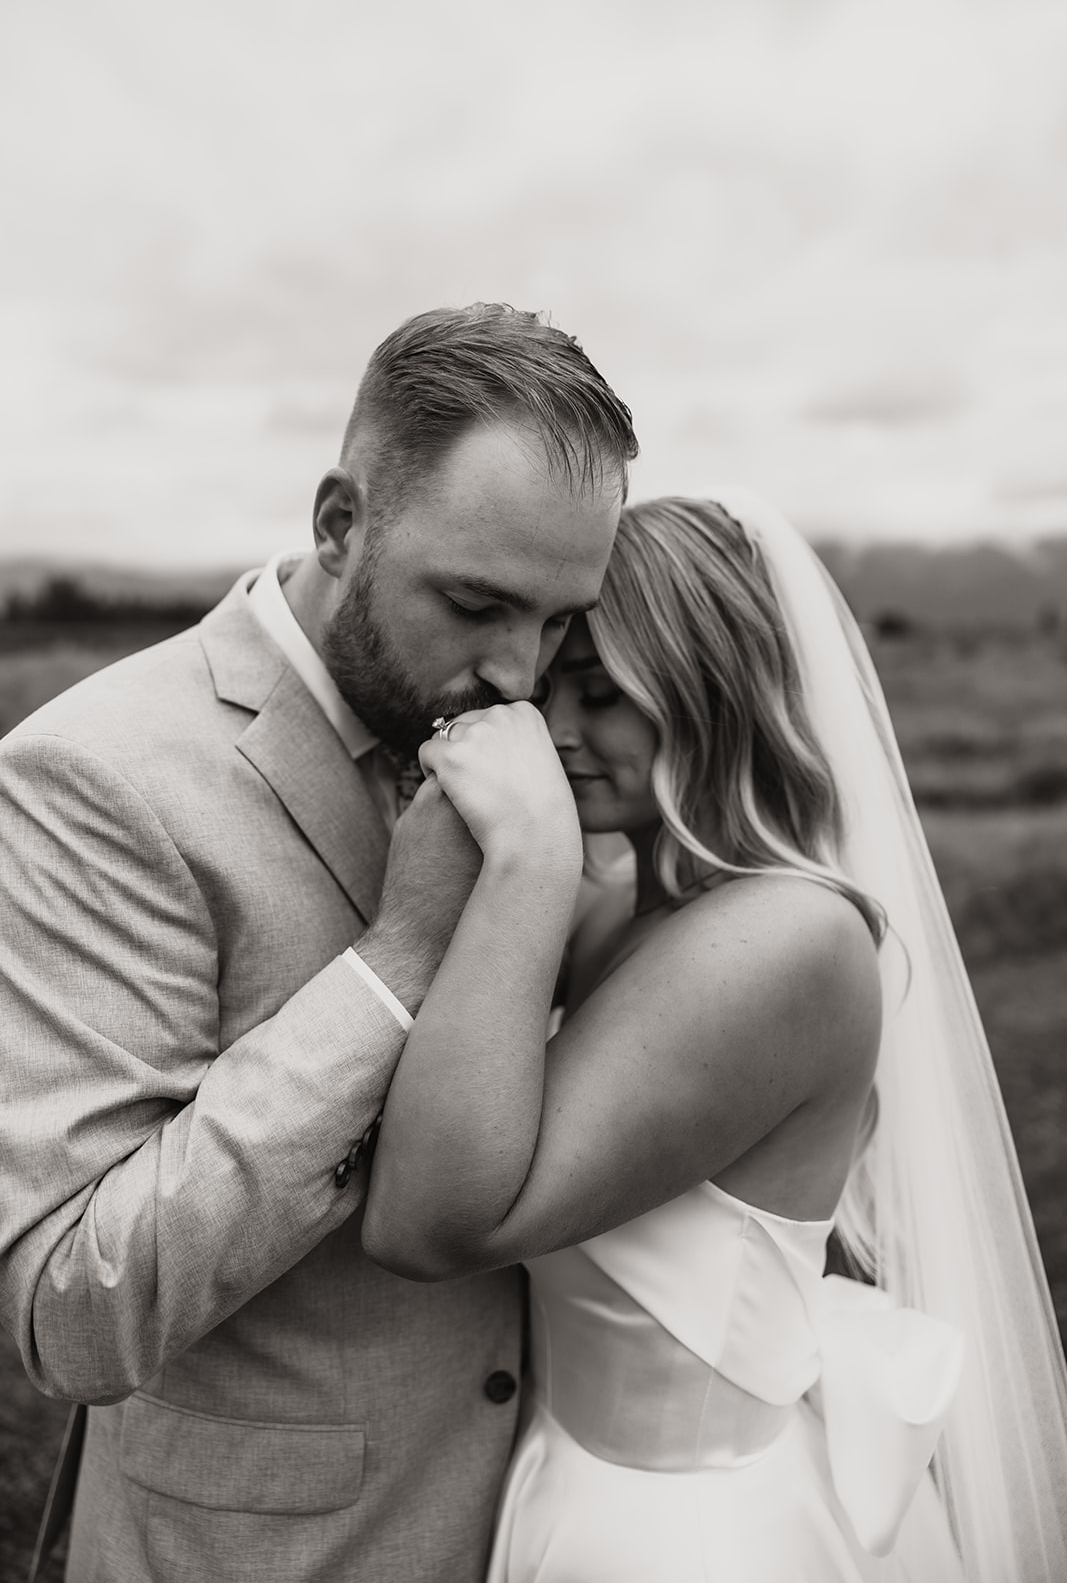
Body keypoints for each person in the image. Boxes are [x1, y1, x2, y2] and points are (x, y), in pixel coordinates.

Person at [0, 303, 638, 1583]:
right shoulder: (95, 772)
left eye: (562, 618)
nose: (520, 670)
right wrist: (400, 960)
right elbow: (71, 1311)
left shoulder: (540, 744)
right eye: (474, 602)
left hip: (547, 1524)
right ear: (340, 521)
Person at [362, 492, 1067, 1581]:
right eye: (550, 688)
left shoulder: (786, 940)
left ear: (710, 695)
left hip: (685, 1533)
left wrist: (523, 858)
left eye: (602, 696)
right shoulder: (623, 904)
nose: (551, 731)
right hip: (568, 1477)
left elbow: (424, 1221)